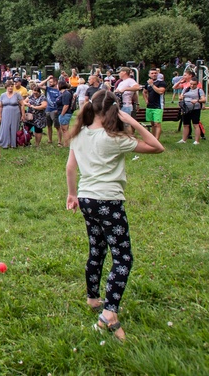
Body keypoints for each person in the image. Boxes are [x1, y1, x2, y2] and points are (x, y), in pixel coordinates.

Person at [65, 89, 164, 341]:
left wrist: (72, 194)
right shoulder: (114, 138)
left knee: (96, 248)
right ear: (113, 111)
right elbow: (157, 147)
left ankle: (92, 298)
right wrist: (133, 122)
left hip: (87, 199)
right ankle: (108, 314)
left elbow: (70, 167)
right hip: (108, 201)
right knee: (123, 258)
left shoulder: (79, 134)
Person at [0, 81, 25, 149]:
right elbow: (0, 106)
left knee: (14, 127)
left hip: (15, 113)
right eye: (9, 86)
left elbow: (22, 104)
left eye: (12, 86)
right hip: (5, 113)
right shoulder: (2, 95)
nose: (10, 87)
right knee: (5, 127)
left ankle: (14, 143)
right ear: (6, 87)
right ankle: (5, 143)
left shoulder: (17, 94)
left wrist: (23, 114)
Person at [178, 78, 205, 145]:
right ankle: (184, 139)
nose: (192, 86)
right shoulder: (185, 89)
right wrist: (181, 98)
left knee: (195, 124)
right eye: (191, 84)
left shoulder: (199, 90)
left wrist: (197, 101)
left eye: (194, 84)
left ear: (197, 84)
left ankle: (197, 141)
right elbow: (181, 96)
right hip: (185, 108)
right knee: (185, 125)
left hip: (195, 109)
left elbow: (203, 99)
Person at [142, 68, 166, 140]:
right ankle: (153, 139)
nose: (154, 74)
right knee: (152, 124)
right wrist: (146, 100)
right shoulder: (147, 83)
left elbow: (160, 92)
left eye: (155, 73)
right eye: (152, 73)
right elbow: (144, 92)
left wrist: (152, 85)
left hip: (158, 106)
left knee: (157, 124)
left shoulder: (161, 83)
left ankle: (157, 140)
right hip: (150, 106)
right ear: (149, 75)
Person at [56, 81, 75, 147]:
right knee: (63, 129)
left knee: (65, 129)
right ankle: (66, 143)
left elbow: (66, 105)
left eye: (58, 85)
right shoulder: (62, 93)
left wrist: (62, 114)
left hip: (65, 113)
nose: (57, 86)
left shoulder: (66, 94)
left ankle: (66, 144)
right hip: (62, 112)